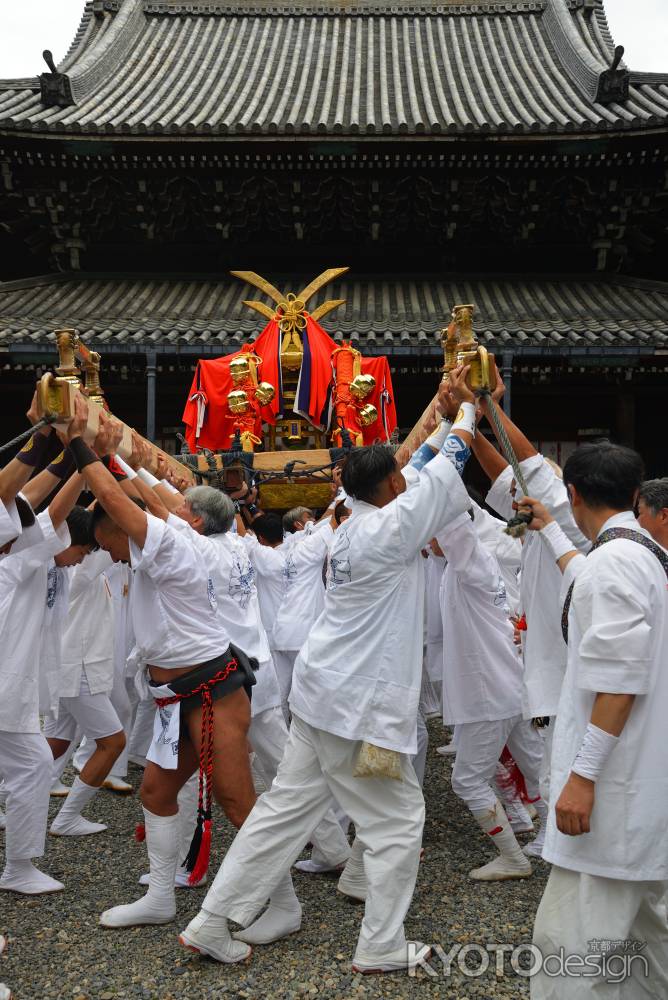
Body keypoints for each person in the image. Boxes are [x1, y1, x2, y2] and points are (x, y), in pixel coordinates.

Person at [178, 369, 472, 973]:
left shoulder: (355, 520)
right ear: (390, 485)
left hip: (322, 692)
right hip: (358, 703)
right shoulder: (390, 528)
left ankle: (211, 922)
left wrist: (443, 414)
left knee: (284, 811)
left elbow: (420, 474)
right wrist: (466, 411)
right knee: (396, 823)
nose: (404, 478)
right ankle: (382, 943)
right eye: (398, 474)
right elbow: (447, 470)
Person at [51, 399, 256, 949]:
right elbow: (147, 493)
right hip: (175, 693)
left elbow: (123, 502)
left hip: (212, 688)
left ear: (125, 532)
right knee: (156, 791)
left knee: (238, 802)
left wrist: (77, 445)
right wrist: (110, 453)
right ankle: (162, 896)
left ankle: (275, 900)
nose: (109, 555)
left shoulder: (163, 545)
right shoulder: (177, 527)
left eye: (108, 542)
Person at [520, 443, 668, 998]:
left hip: (614, 793)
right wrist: (550, 531)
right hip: (641, 789)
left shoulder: (615, 563)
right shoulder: (640, 550)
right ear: (636, 494)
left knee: (570, 947)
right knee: (647, 942)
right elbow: (586, 575)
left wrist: (582, 777)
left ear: (574, 494)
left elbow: (620, 684)